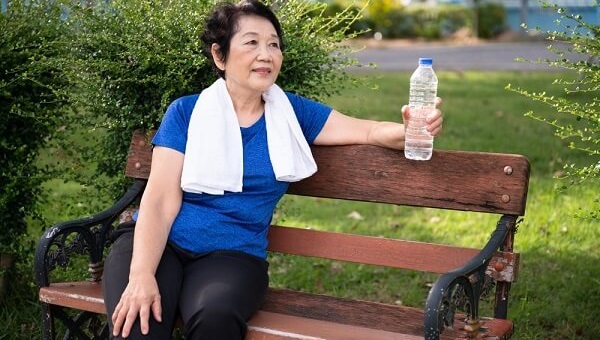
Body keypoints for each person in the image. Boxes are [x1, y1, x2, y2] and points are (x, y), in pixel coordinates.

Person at [102, 0, 444, 339]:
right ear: (219, 56)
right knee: (138, 323)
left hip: (232, 255)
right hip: (157, 246)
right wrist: (142, 274)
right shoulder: (186, 113)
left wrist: (409, 130)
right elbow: (160, 203)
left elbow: (369, 131)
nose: (266, 54)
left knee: (216, 318)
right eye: (251, 42)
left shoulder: (291, 114)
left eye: (273, 44)